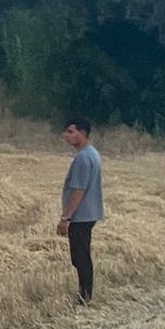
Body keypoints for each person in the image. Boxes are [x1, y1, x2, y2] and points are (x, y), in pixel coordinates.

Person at [58, 116, 104, 305]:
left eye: (71, 131)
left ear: (82, 134)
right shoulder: (92, 153)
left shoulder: (83, 159)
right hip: (90, 213)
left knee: (80, 257)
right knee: (82, 255)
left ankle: (84, 297)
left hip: (81, 216)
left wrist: (66, 217)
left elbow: (78, 190)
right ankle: (85, 293)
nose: (66, 135)